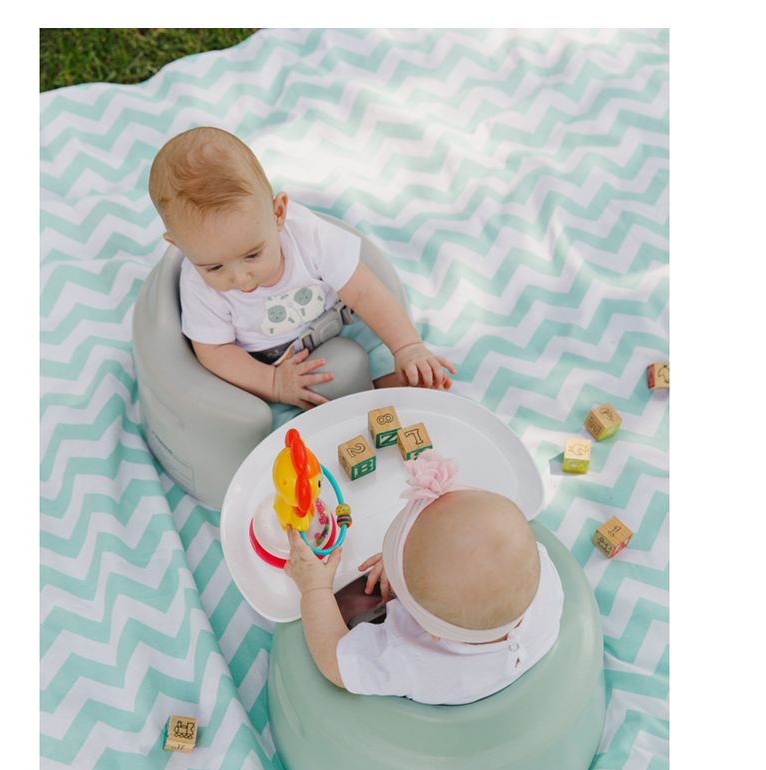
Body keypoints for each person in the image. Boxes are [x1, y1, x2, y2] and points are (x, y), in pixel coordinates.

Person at [147, 126, 456, 410]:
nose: (241, 279)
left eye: (253, 254)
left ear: (278, 213)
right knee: (298, 398)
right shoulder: (196, 286)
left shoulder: (307, 237)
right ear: (177, 245)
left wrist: (408, 346)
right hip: (270, 364)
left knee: (381, 352)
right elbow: (215, 351)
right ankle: (364, 399)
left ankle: (392, 384)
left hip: (338, 322)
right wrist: (273, 383)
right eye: (214, 267)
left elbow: (363, 291)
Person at [283, 452, 565, 705]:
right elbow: (474, 551)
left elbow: (335, 663)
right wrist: (412, 564)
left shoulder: (408, 656)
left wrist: (314, 588)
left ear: (432, 631)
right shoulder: (541, 576)